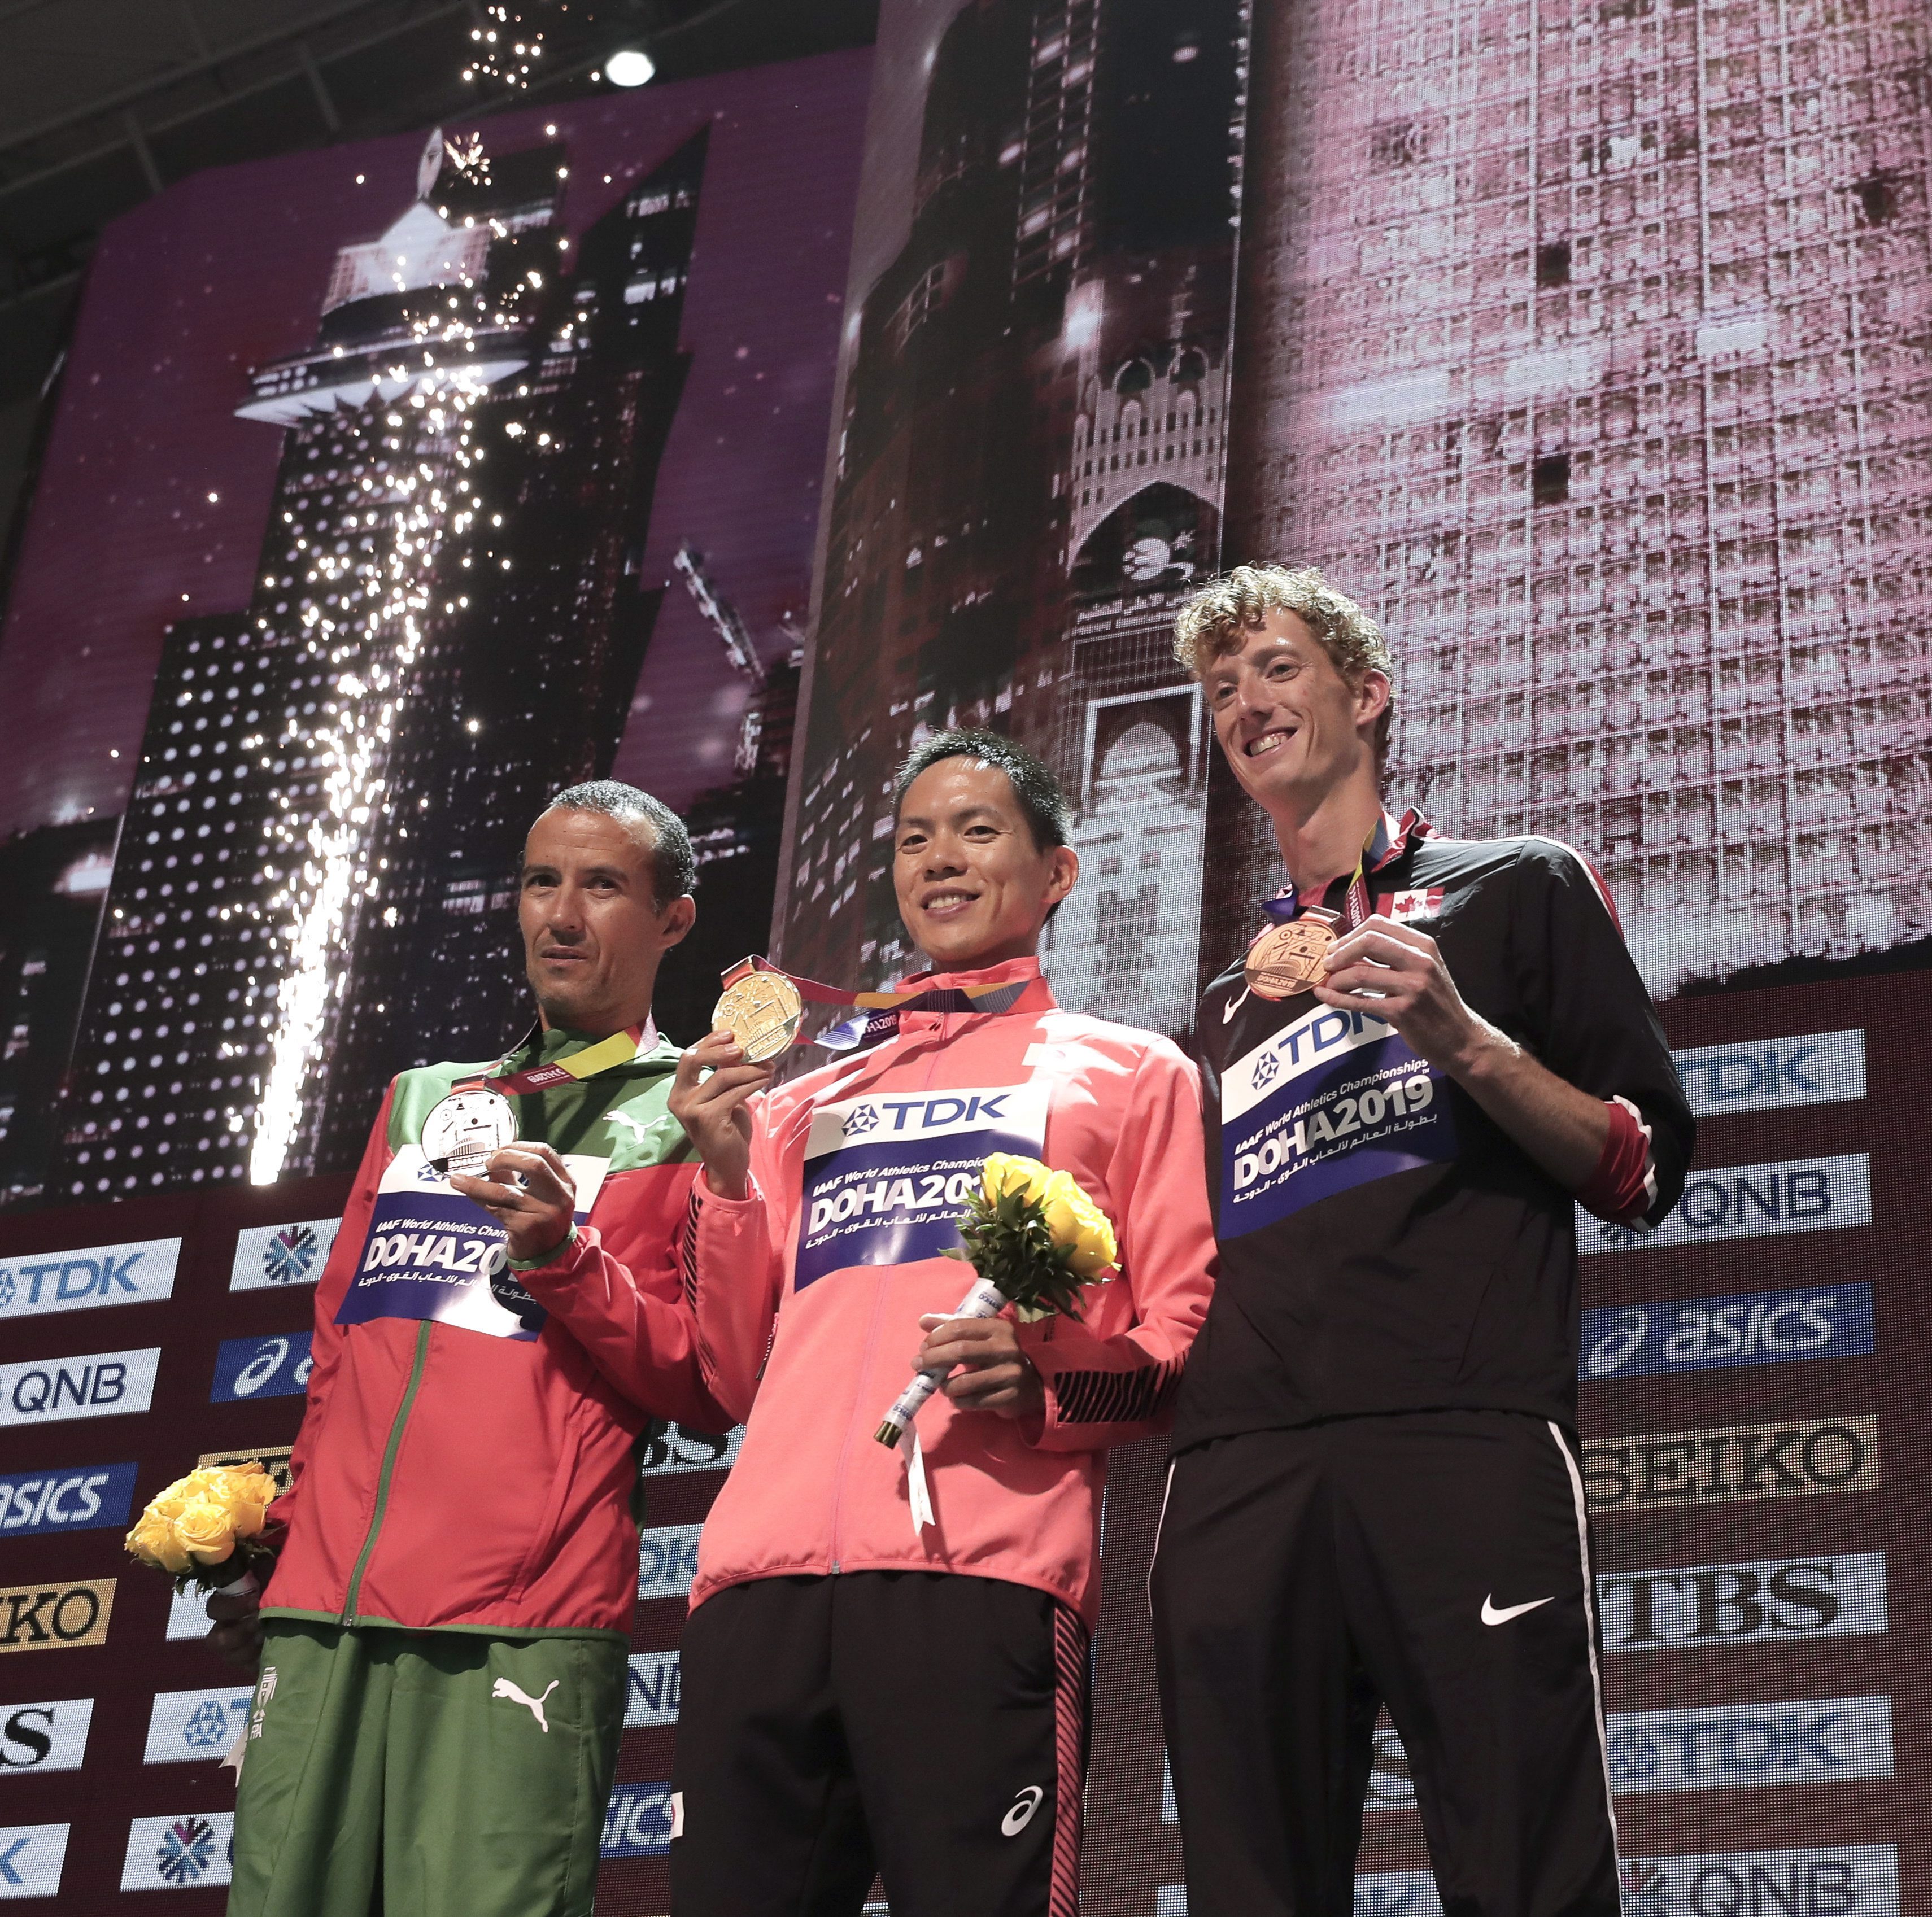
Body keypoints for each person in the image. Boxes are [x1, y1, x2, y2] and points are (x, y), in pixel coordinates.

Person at [1150, 566, 1695, 1917]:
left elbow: (1640, 1165)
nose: (1243, 704)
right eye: (1220, 690)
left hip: (1459, 1439)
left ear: (1367, 694)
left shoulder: (1517, 887)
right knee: (1250, 1889)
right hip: (1240, 1473)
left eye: (1275, 669)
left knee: (1523, 1871)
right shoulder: (1224, 999)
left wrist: (1464, 1041)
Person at [666, 728, 1216, 1917]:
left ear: (1057, 873)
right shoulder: (803, 1099)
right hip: (757, 1586)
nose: (941, 860)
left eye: (977, 831)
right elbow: (724, 1366)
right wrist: (720, 1177)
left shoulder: (1130, 1073)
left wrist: (1049, 1377)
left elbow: (1179, 1345)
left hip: (976, 1576)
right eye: (915, 839)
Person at [220, 780, 734, 1917]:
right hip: (327, 1618)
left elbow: (706, 1381)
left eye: (602, 886)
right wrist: (292, 1547)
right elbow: (339, 1355)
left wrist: (568, 1261)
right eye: (541, 881)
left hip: (520, 1624)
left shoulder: (695, 1120)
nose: (561, 914)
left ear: (675, 919)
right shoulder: (421, 1102)